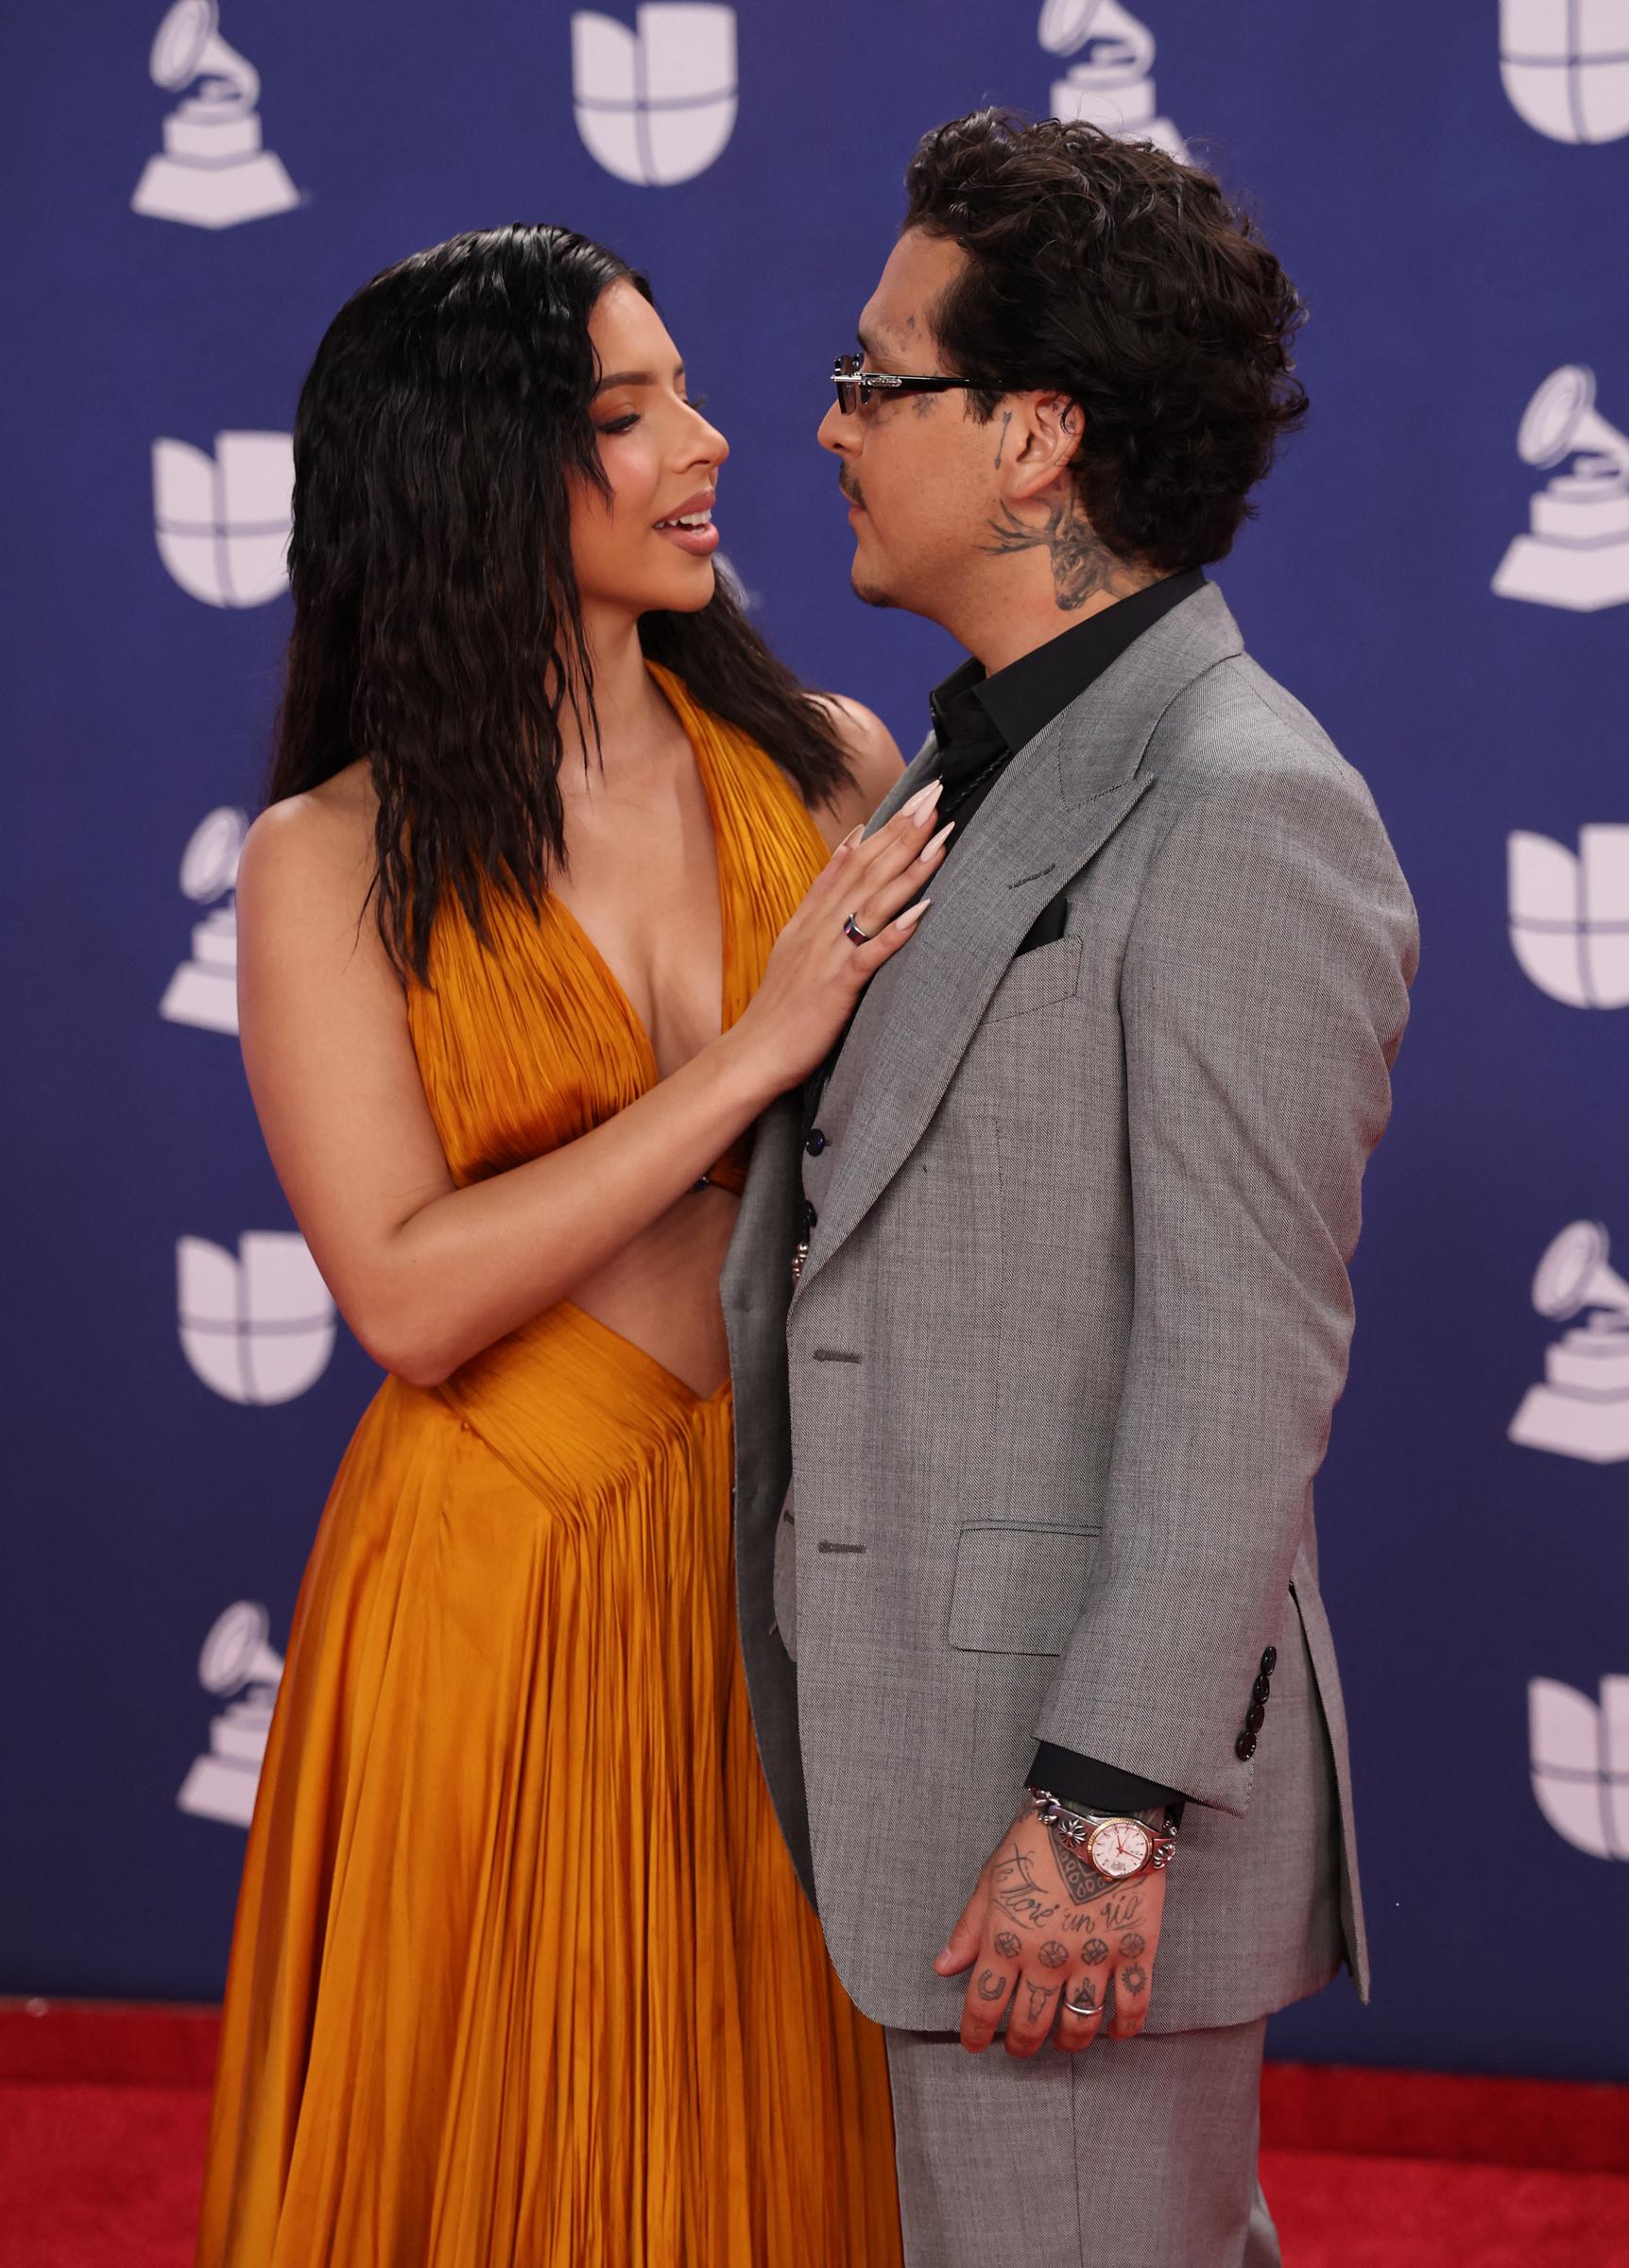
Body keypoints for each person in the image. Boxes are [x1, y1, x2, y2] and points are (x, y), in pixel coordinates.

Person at [721, 112, 1419, 2267]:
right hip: (917, 1775)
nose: (825, 425)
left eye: (876, 379)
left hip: (1062, 1823)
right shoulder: (984, 750)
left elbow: (1241, 1367)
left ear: (1031, 439)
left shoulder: (1243, 811)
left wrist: (1102, 1817)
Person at [194, 223, 930, 2268]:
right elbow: (410, 1295)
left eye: (683, 391)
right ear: (471, 477)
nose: (710, 443)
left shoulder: (836, 765)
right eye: (627, 415)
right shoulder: (323, 860)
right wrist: (755, 1056)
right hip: (496, 1577)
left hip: (792, 1564)